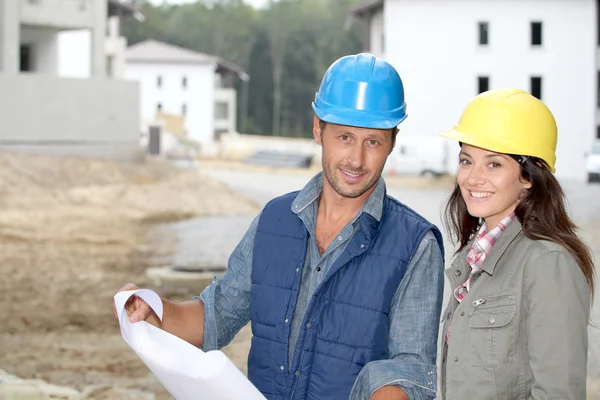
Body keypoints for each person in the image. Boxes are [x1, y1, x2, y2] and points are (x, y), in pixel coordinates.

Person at [114, 53, 445, 400]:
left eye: (373, 141)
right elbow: (216, 316)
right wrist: (157, 312)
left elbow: (411, 371)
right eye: (344, 137)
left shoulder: (415, 245)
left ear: (392, 141)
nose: (356, 160)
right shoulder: (274, 220)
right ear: (318, 129)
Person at [439, 88, 595, 399]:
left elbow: (558, 393)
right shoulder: (475, 256)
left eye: (493, 164)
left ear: (528, 177)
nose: (472, 178)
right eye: (466, 161)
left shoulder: (548, 263)